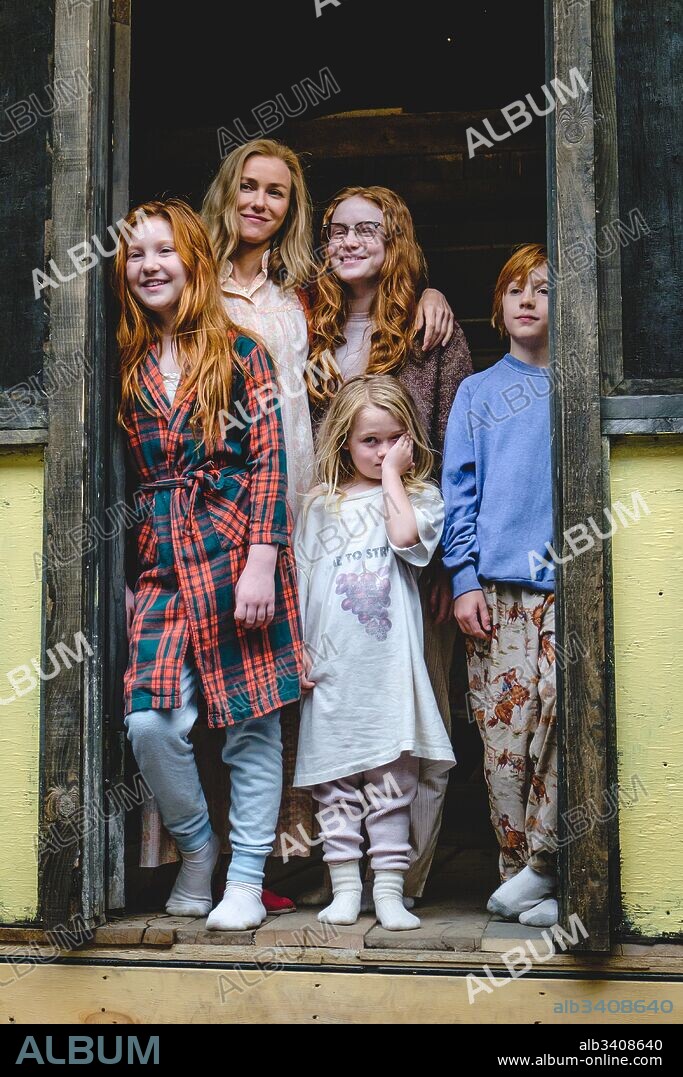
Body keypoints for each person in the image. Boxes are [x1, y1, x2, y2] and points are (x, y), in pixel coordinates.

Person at [114, 199, 303, 931]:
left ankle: (247, 880)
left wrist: (262, 561)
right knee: (151, 724)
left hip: (234, 551)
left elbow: (269, 460)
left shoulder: (241, 351)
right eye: (136, 254)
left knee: (252, 724)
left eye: (164, 251)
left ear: (193, 260)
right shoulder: (126, 362)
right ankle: (198, 849)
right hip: (163, 564)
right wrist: (129, 575)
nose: (150, 265)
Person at [306, 186, 473, 897]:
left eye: (366, 230)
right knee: (329, 723)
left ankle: (403, 884)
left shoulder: (430, 330)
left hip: (413, 544)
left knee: (416, 732)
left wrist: (450, 561)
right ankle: (335, 876)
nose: (348, 241)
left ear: (394, 239)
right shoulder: (306, 324)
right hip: (323, 541)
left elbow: (458, 452)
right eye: (336, 230)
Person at [293, 375, 455, 929]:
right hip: (332, 669)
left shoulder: (420, 497)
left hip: (388, 670)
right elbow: (301, 581)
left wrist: (391, 476)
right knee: (335, 782)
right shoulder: (321, 506)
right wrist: (298, 650)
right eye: (370, 443)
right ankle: (343, 887)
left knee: (393, 782)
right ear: (344, 441)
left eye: (394, 439)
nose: (383, 450)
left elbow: (408, 541)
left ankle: (387, 890)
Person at [441, 243, 558, 927]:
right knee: (503, 739)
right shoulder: (477, 392)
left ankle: (547, 863)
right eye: (514, 287)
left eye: (542, 289)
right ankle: (521, 876)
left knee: (563, 715)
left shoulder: (578, 385)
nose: (525, 299)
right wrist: (461, 580)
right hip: (495, 591)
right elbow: (459, 496)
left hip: (566, 587)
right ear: (497, 304)